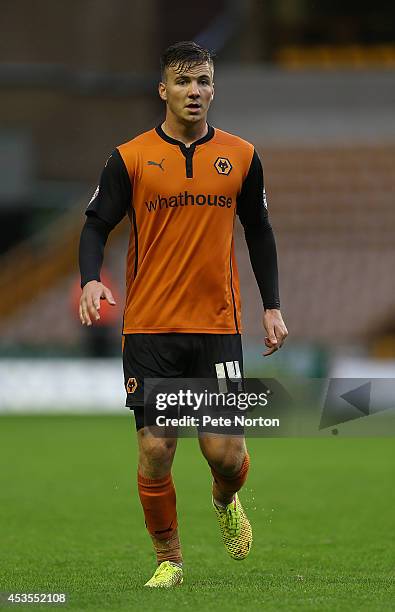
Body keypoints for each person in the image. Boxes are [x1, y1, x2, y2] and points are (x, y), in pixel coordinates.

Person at [78, 41, 288, 588]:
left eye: (203, 82)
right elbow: (96, 223)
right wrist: (91, 279)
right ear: (163, 90)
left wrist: (271, 306)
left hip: (217, 328)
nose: (194, 91)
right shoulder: (129, 157)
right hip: (149, 328)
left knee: (224, 455)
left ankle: (225, 500)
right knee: (155, 448)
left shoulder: (242, 156)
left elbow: (259, 231)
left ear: (213, 89)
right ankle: (168, 559)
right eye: (184, 81)